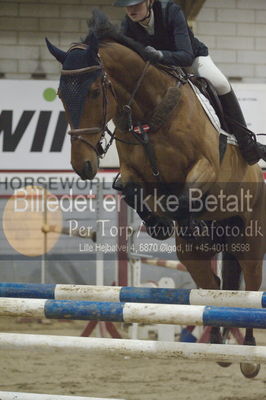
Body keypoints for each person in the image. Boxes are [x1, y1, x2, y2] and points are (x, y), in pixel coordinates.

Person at [113, 0, 266, 165]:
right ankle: (131, 163)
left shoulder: (171, 11)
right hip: (159, 68)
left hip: (191, 59)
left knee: (220, 83)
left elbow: (186, 55)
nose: (131, 10)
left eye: (136, 5)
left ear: (150, 1)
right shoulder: (127, 25)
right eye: (127, 6)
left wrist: (160, 55)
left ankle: (247, 144)